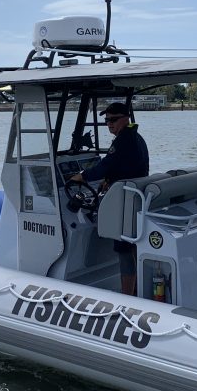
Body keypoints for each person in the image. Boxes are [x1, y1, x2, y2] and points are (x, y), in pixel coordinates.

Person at [68, 101, 149, 296]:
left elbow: (105, 165)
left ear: (125, 118)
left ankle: (128, 295)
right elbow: (125, 166)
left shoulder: (123, 140)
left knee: (123, 249)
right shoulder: (136, 138)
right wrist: (109, 180)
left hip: (126, 201)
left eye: (113, 120)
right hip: (134, 198)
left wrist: (82, 176)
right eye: (106, 121)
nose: (109, 124)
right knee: (131, 247)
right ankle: (137, 288)